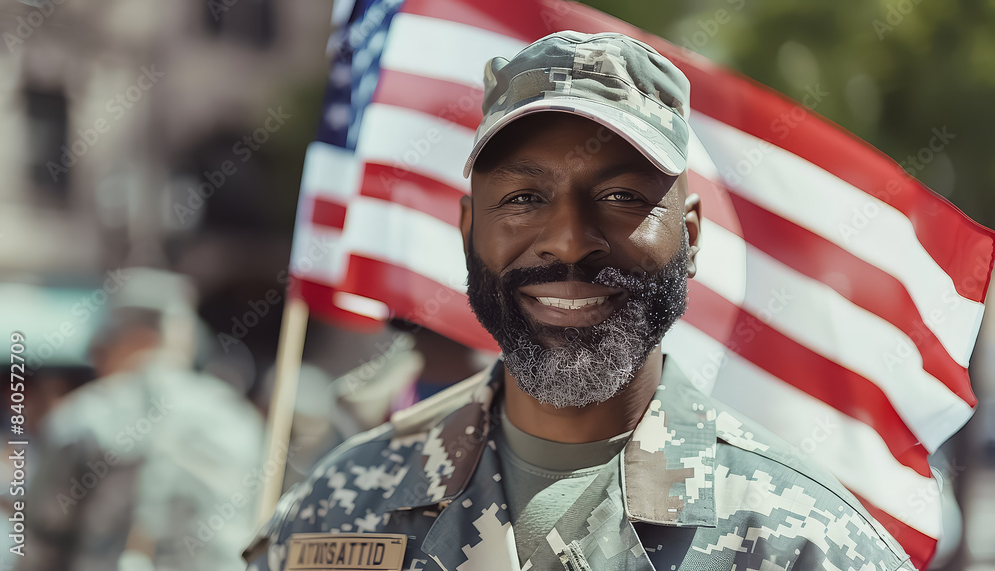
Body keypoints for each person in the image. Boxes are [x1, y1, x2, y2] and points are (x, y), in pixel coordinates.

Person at [244, 32, 915, 571]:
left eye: (622, 196)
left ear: (689, 235)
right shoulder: (338, 507)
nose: (567, 241)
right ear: (468, 229)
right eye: (524, 198)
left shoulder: (802, 540)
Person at [21, 268, 264, 571]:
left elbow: (39, 547)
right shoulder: (238, 420)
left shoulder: (84, 417)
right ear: (183, 337)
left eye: (100, 349)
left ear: (132, 338)